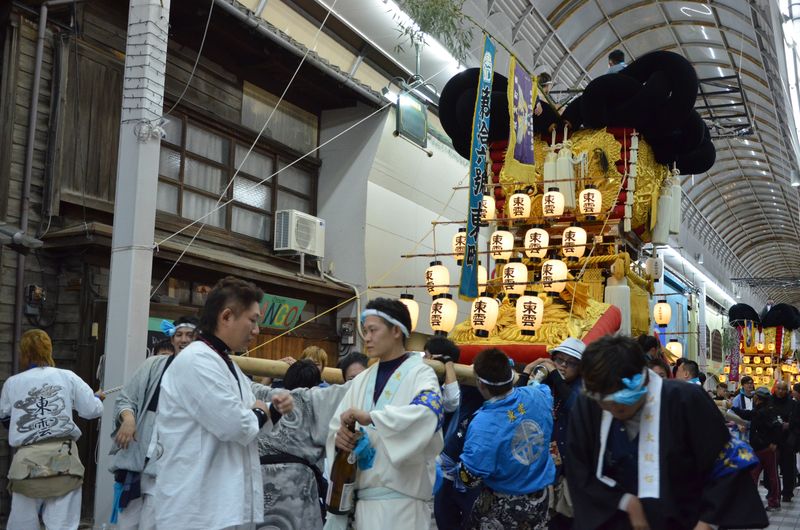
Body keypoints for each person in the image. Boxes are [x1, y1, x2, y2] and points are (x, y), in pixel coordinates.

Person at [567, 335, 767, 529]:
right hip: (616, 520)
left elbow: (725, 463)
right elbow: (579, 469)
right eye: (606, 404)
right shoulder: (589, 405)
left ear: (644, 381)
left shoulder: (685, 400)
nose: (614, 410)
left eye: (621, 404)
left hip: (685, 520)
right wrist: (624, 501)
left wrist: (708, 522)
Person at [152, 276, 294, 530]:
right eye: (252, 320)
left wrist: (273, 409)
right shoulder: (197, 360)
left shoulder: (225, 363)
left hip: (221, 506)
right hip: (195, 509)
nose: (256, 330)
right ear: (226, 316)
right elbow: (236, 425)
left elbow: (251, 421)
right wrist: (259, 411)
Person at [327, 298, 444, 529]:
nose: (367, 338)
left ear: (396, 331)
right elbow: (335, 427)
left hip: (403, 507)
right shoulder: (361, 380)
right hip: (362, 506)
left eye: (373, 330)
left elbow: (428, 414)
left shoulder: (421, 374)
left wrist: (373, 417)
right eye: (365, 331)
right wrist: (340, 438)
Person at [1, 329, 105, 530]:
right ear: (49, 349)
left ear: (24, 352)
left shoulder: (13, 383)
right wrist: (96, 398)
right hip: (62, 456)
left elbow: (6, 420)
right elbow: (92, 410)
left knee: (22, 524)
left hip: (27, 459)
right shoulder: (67, 377)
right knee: (62, 525)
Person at [459, 348, 555, 529]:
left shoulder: (483, 424)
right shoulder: (538, 395)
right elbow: (541, 388)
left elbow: (470, 478)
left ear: (480, 383)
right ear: (511, 375)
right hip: (540, 499)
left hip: (502, 506)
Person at [253, 359, 351, 530]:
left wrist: (267, 378)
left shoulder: (259, 395)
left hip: (256, 491)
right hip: (297, 498)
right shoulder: (315, 400)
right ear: (316, 384)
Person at [520, 337, 585, 529]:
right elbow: (519, 406)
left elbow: (575, 407)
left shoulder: (584, 387)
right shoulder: (545, 383)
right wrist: (526, 372)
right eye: (559, 360)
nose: (563, 366)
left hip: (569, 470)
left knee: (565, 520)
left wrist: (555, 374)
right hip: (542, 465)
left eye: (571, 363)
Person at [731, 386, 782, 510]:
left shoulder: (766, 411)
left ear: (758, 398)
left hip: (767, 449)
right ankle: (751, 501)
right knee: (753, 475)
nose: (753, 397)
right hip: (758, 448)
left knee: (772, 476)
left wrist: (774, 442)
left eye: (755, 396)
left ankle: (774, 502)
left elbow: (777, 427)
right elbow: (748, 415)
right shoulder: (760, 409)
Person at [771, 381, 800, 502]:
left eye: (783, 389)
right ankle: (772, 492)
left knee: (788, 468)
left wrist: (790, 425)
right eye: (779, 388)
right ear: (775, 389)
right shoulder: (769, 401)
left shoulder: (793, 404)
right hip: (772, 440)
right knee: (771, 468)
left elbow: (797, 421)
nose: (781, 391)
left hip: (788, 440)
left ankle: (787, 492)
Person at [424, 336, 462, 423]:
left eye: (426, 355)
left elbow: (451, 402)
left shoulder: (454, 385)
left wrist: (448, 362)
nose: (424, 359)